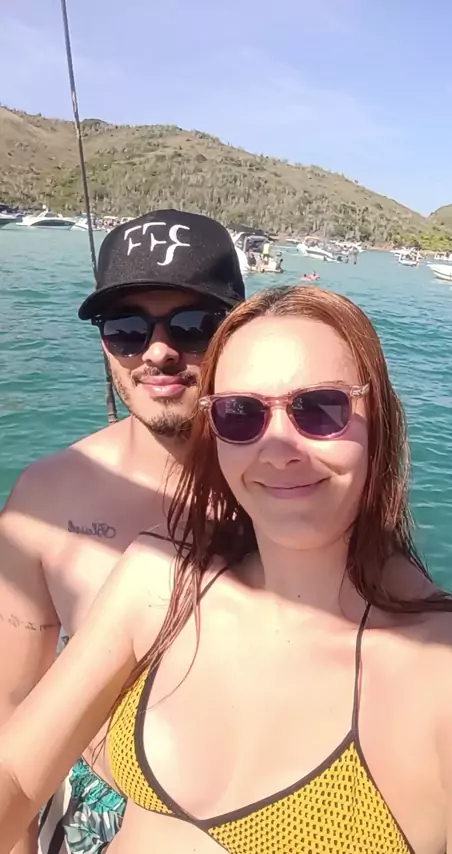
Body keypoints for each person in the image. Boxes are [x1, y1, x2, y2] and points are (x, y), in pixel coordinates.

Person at [1, 285, 452, 854]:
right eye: (240, 413)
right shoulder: (157, 582)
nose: (278, 448)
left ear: (379, 417)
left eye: (319, 408)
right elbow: (18, 776)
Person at [0, 208, 245, 854]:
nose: (157, 352)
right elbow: (11, 705)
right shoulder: (45, 500)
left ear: (238, 332)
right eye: (127, 328)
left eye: (193, 325)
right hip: (99, 811)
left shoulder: (292, 493)